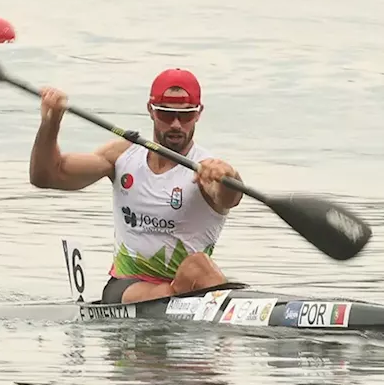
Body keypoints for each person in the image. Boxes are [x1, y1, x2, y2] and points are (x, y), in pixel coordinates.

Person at [28, 68, 243, 304]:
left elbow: (228, 197)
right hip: (126, 287)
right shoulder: (121, 156)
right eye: (165, 114)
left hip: (191, 286)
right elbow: (46, 176)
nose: (175, 125)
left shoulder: (206, 171)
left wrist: (230, 177)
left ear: (199, 113)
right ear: (151, 110)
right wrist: (51, 123)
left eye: (185, 116)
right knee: (188, 274)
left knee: (196, 266)